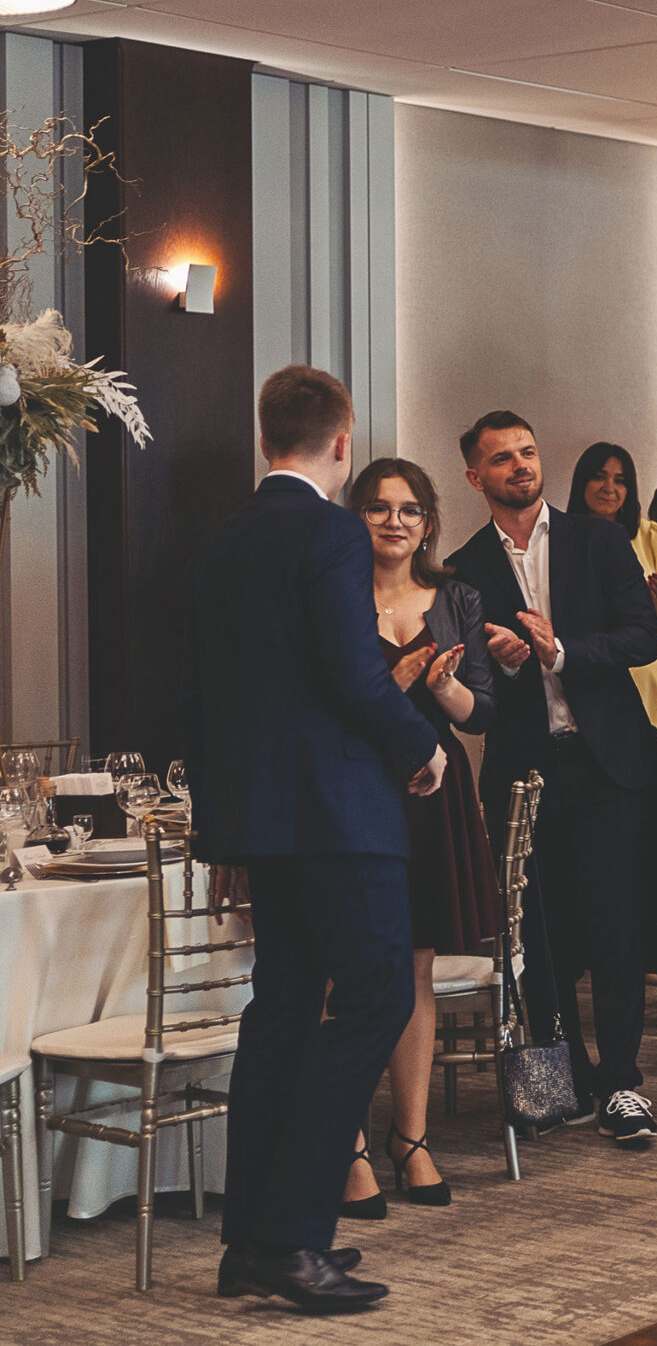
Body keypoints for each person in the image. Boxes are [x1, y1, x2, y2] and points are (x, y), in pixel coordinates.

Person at [182, 366, 442, 1312]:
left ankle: (249, 1241)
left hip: (263, 817)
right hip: (339, 811)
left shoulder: (225, 538)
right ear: (342, 442)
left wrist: (221, 815)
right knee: (377, 997)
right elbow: (351, 671)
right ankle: (295, 1234)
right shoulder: (333, 531)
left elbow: (203, 687)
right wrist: (421, 745)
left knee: (284, 1009)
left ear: (265, 441)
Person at [447, 411, 657, 1147]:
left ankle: (623, 1082)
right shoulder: (461, 568)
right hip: (522, 773)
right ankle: (564, 1078)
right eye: (502, 458)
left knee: (615, 927)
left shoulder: (597, 540)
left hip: (605, 762)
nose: (521, 464)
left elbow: (642, 637)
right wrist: (503, 666)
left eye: (528, 451)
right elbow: (472, 702)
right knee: (539, 940)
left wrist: (562, 650)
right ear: (476, 476)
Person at [338, 458, 499, 1220]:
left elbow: (481, 712)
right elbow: (323, 706)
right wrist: (393, 685)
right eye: (378, 507)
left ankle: (410, 1137)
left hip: (436, 795)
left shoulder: (458, 597)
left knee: (415, 971)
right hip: (356, 793)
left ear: (429, 522)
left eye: (408, 509)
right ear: (357, 517)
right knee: (347, 972)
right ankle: (347, 1144)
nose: (394, 521)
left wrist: (443, 687)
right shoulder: (335, 594)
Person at [572, 442, 657, 773]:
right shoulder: (562, 537)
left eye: (620, 480)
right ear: (582, 482)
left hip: (646, 674)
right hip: (587, 674)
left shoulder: (650, 535)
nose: (609, 488)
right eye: (599, 477)